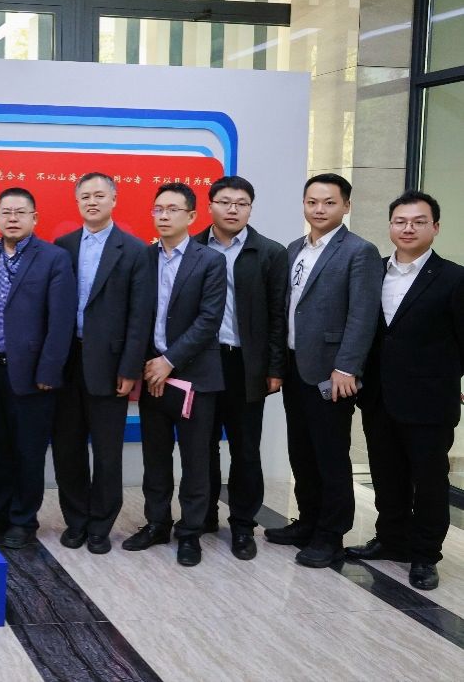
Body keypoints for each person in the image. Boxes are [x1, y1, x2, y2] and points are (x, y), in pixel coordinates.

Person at [346, 191, 464, 590]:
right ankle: (392, 539)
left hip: (430, 401)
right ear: (391, 226)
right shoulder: (373, 271)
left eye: (418, 221)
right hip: (379, 397)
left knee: (429, 481)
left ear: (435, 227)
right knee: (387, 474)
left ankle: (426, 554)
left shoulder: (454, 278)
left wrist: (450, 380)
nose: (408, 228)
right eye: (400, 221)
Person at [265, 173, 382, 568]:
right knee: (302, 451)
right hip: (296, 367)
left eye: (329, 202)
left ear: (346, 205)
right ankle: (308, 521)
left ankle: (331, 535)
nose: (319, 209)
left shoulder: (359, 251)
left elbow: (362, 316)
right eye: (312, 202)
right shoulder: (294, 249)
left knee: (330, 456)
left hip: (332, 373)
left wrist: (347, 367)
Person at [122, 183, 225, 567]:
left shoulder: (210, 261)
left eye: (173, 209)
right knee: (155, 456)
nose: (164, 216)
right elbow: (136, 316)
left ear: (192, 216)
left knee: (196, 459)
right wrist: (150, 364)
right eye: (158, 209)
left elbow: (208, 320)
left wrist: (169, 360)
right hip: (152, 375)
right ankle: (157, 523)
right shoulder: (143, 258)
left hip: (194, 377)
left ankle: (191, 532)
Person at [53, 172, 152, 555]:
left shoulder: (135, 250)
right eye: (85, 196)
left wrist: (130, 369)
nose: (92, 202)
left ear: (114, 200)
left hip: (111, 367)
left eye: (99, 195)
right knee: (67, 448)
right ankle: (76, 520)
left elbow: (139, 317)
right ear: (77, 201)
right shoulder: (62, 246)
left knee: (108, 453)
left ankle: (100, 525)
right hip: (67, 363)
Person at [196, 176, 288, 561]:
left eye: (242, 203)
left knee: (246, 448)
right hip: (201, 362)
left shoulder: (269, 252)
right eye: (225, 202)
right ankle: (203, 515)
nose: (232, 209)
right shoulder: (193, 247)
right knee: (201, 445)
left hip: (246, 364)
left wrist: (275, 367)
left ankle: (243, 524)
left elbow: (278, 315)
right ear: (210, 205)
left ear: (250, 208)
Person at [0, 186, 76, 549]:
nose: (13, 218)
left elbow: (61, 320)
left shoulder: (53, 258)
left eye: (20, 212)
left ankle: (23, 519)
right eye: (6, 212)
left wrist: (50, 371)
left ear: (35, 218)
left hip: (34, 374)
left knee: (29, 451)